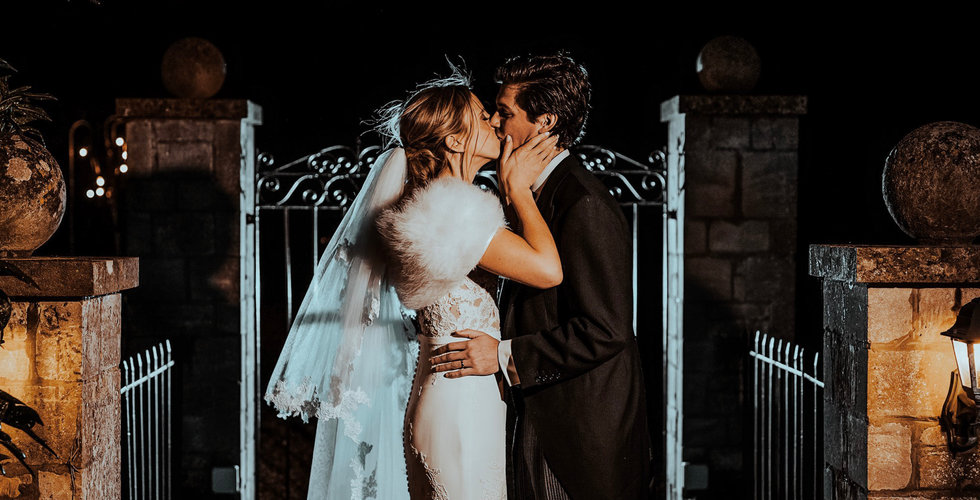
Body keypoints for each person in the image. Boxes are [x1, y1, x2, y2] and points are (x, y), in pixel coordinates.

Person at [264, 65, 563, 500]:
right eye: (484, 116)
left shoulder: (448, 205)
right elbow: (547, 270)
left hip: (460, 394)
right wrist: (517, 190)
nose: (496, 123)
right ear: (456, 140)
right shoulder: (452, 214)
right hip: (457, 405)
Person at [429, 54, 652, 500]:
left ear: (544, 121)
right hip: (532, 414)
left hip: (574, 430)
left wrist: (505, 356)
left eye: (506, 112)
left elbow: (606, 330)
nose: (494, 120)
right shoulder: (527, 191)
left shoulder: (582, 202)